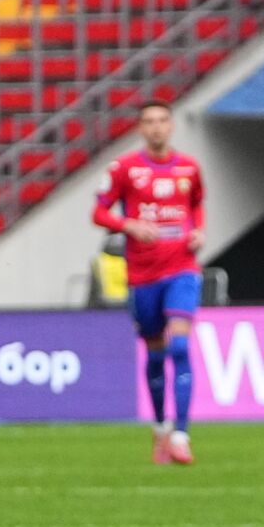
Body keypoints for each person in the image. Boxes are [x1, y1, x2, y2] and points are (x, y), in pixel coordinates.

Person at [92, 100, 205, 465]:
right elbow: (98, 211)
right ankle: (160, 429)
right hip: (142, 275)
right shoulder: (124, 169)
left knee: (179, 346)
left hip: (183, 269)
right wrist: (129, 225)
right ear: (141, 129)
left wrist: (199, 231)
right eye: (149, 122)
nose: (156, 127)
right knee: (156, 354)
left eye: (162, 121)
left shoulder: (189, 168)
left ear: (171, 126)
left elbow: (197, 204)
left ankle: (182, 435)